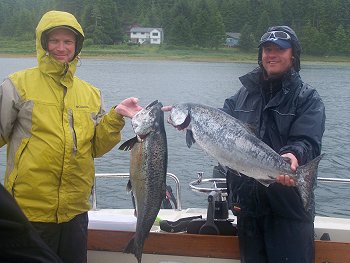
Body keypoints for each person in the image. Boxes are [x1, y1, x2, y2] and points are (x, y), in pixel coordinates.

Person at [0, 10, 141, 263]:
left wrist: (116, 117)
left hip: (75, 211)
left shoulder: (90, 93)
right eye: (54, 40)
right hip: (30, 211)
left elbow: (95, 147)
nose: (61, 48)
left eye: (68, 41)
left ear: (77, 46)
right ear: (43, 43)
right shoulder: (16, 85)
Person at [221, 26, 325, 262]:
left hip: (289, 210)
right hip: (247, 209)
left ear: (293, 55)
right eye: (268, 49)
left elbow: (307, 141)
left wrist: (293, 155)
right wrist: (191, 123)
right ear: (261, 55)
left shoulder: (308, 98)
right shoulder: (241, 95)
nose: (272, 54)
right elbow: (219, 123)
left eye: (280, 49)